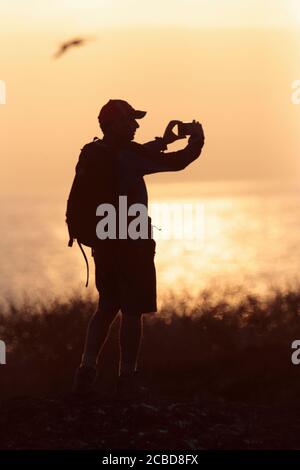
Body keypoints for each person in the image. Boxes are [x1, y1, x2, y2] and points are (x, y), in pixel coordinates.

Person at [73, 99, 205, 396]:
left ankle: (86, 369)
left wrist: (163, 141)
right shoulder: (130, 156)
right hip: (132, 244)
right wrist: (197, 140)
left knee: (106, 308)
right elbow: (179, 161)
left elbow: (135, 155)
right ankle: (127, 377)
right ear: (113, 125)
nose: (135, 125)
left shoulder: (95, 153)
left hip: (103, 242)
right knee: (132, 312)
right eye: (129, 121)